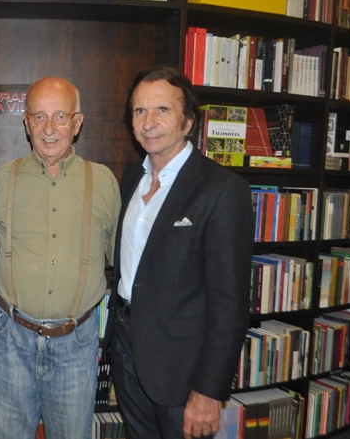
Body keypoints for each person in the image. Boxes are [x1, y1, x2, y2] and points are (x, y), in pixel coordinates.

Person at [104, 64, 255, 439]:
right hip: (126, 347)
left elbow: (230, 305)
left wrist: (208, 392)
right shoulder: (129, 179)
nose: (148, 122)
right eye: (139, 111)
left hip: (181, 369)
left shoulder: (222, 190)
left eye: (162, 110)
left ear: (188, 122)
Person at [0, 76, 121, 439]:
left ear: (77, 122)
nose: (49, 129)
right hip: (10, 338)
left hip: (76, 343)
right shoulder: (2, 179)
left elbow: (123, 263)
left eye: (60, 117)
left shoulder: (104, 182)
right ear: (26, 123)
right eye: (39, 117)